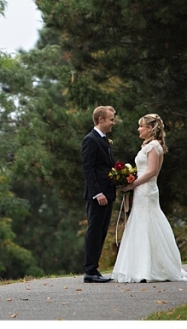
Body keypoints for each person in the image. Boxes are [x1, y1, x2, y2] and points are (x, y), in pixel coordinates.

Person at [111, 114, 187, 283]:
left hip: (147, 190)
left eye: (141, 126)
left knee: (148, 222)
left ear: (150, 128)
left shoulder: (154, 146)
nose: (139, 129)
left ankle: (149, 268)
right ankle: (140, 267)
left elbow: (152, 172)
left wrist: (133, 183)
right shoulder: (148, 146)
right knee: (140, 223)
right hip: (141, 189)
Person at [82, 106, 117, 283]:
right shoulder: (91, 140)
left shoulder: (104, 139)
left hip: (107, 193)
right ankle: (90, 271)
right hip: (98, 195)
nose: (113, 122)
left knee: (101, 232)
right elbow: (88, 169)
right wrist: (97, 193)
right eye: (111, 119)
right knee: (94, 231)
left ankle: (94, 270)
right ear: (101, 120)